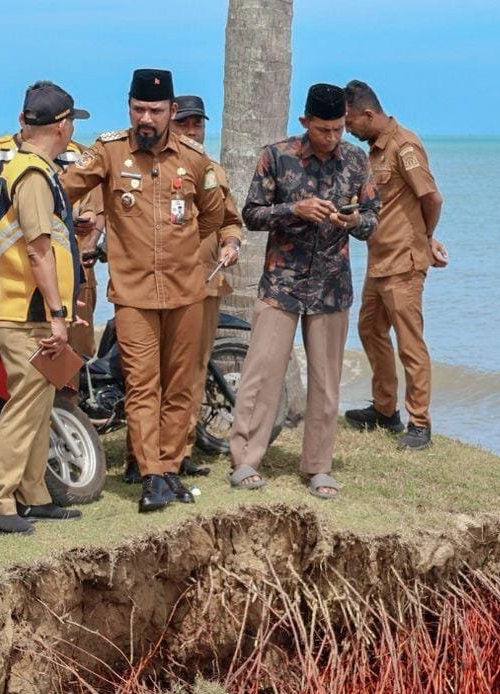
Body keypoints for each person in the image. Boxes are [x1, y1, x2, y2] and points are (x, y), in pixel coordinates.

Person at [62, 68, 240, 513]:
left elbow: (218, 216)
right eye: (139, 108)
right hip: (134, 293)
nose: (146, 117)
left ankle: (171, 468)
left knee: (181, 386)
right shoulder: (109, 152)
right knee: (143, 385)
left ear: (171, 112)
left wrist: (195, 245)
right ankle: (151, 474)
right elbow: (61, 189)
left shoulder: (195, 160)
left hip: (186, 291)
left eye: (155, 110)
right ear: (129, 107)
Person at [227, 83, 378, 499]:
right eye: (324, 130)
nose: (332, 138)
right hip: (281, 285)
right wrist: (294, 209)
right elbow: (252, 214)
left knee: (327, 382)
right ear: (305, 122)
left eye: (339, 129)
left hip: (331, 288)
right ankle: (244, 459)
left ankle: (318, 466)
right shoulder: (276, 155)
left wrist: (353, 222)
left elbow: (371, 219)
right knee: (261, 374)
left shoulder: (355, 160)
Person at [0, 82, 88, 535]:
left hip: (37, 313)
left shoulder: (31, 169)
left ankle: (33, 493)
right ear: (63, 125)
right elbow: (39, 252)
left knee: (40, 406)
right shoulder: (30, 176)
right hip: (27, 315)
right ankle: (0, 501)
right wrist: (58, 314)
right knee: (24, 408)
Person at [342, 80, 446, 451]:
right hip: (378, 259)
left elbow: (432, 198)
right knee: (369, 330)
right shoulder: (373, 151)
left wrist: (425, 237)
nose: (347, 128)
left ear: (369, 114)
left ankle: (420, 424)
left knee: (410, 344)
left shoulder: (405, 146)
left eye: (351, 121)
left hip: (404, 262)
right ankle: (385, 411)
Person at [0, 111, 102, 355]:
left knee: (70, 361)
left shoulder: (80, 155)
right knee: (28, 369)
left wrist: (88, 228)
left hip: (69, 272)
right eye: (71, 122)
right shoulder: (3, 156)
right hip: (19, 282)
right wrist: (56, 312)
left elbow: (96, 208)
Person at [169, 94, 239, 479]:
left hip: (207, 283)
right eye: (185, 124)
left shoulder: (214, 170)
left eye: (198, 124)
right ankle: (141, 456)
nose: (193, 131)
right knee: (156, 374)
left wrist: (231, 243)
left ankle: (181, 453)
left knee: (194, 372)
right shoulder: (156, 168)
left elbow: (231, 219)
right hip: (161, 286)